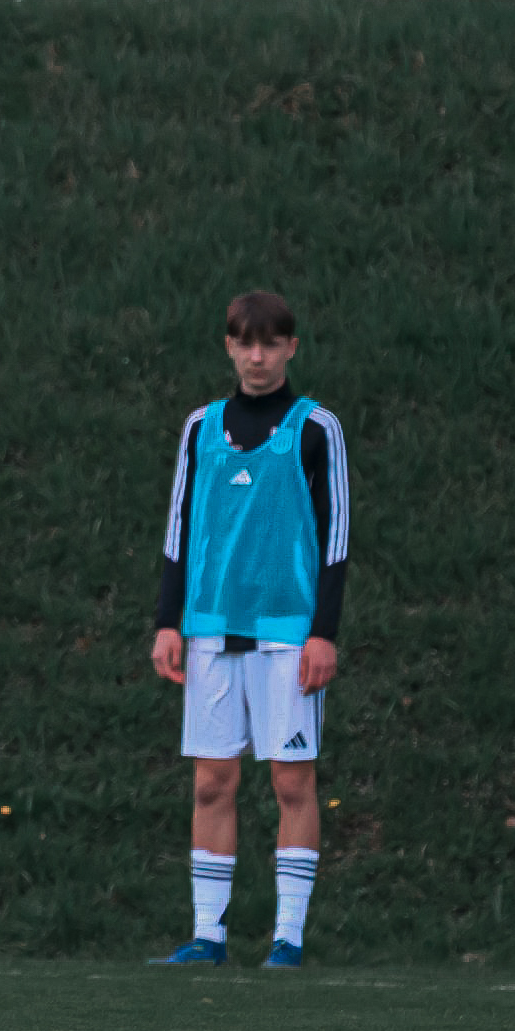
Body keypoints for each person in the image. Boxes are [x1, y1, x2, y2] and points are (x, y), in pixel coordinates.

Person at [149, 291, 351, 968]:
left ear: (291, 347)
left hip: (287, 636)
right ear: (229, 346)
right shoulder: (200, 426)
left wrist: (323, 632)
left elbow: (336, 539)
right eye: (246, 343)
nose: (258, 356)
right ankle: (209, 935)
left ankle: (288, 939)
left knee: (292, 783)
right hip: (208, 631)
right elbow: (179, 526)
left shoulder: (316, 426)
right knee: (212, 782)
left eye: (271, 343)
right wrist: (166, 622)